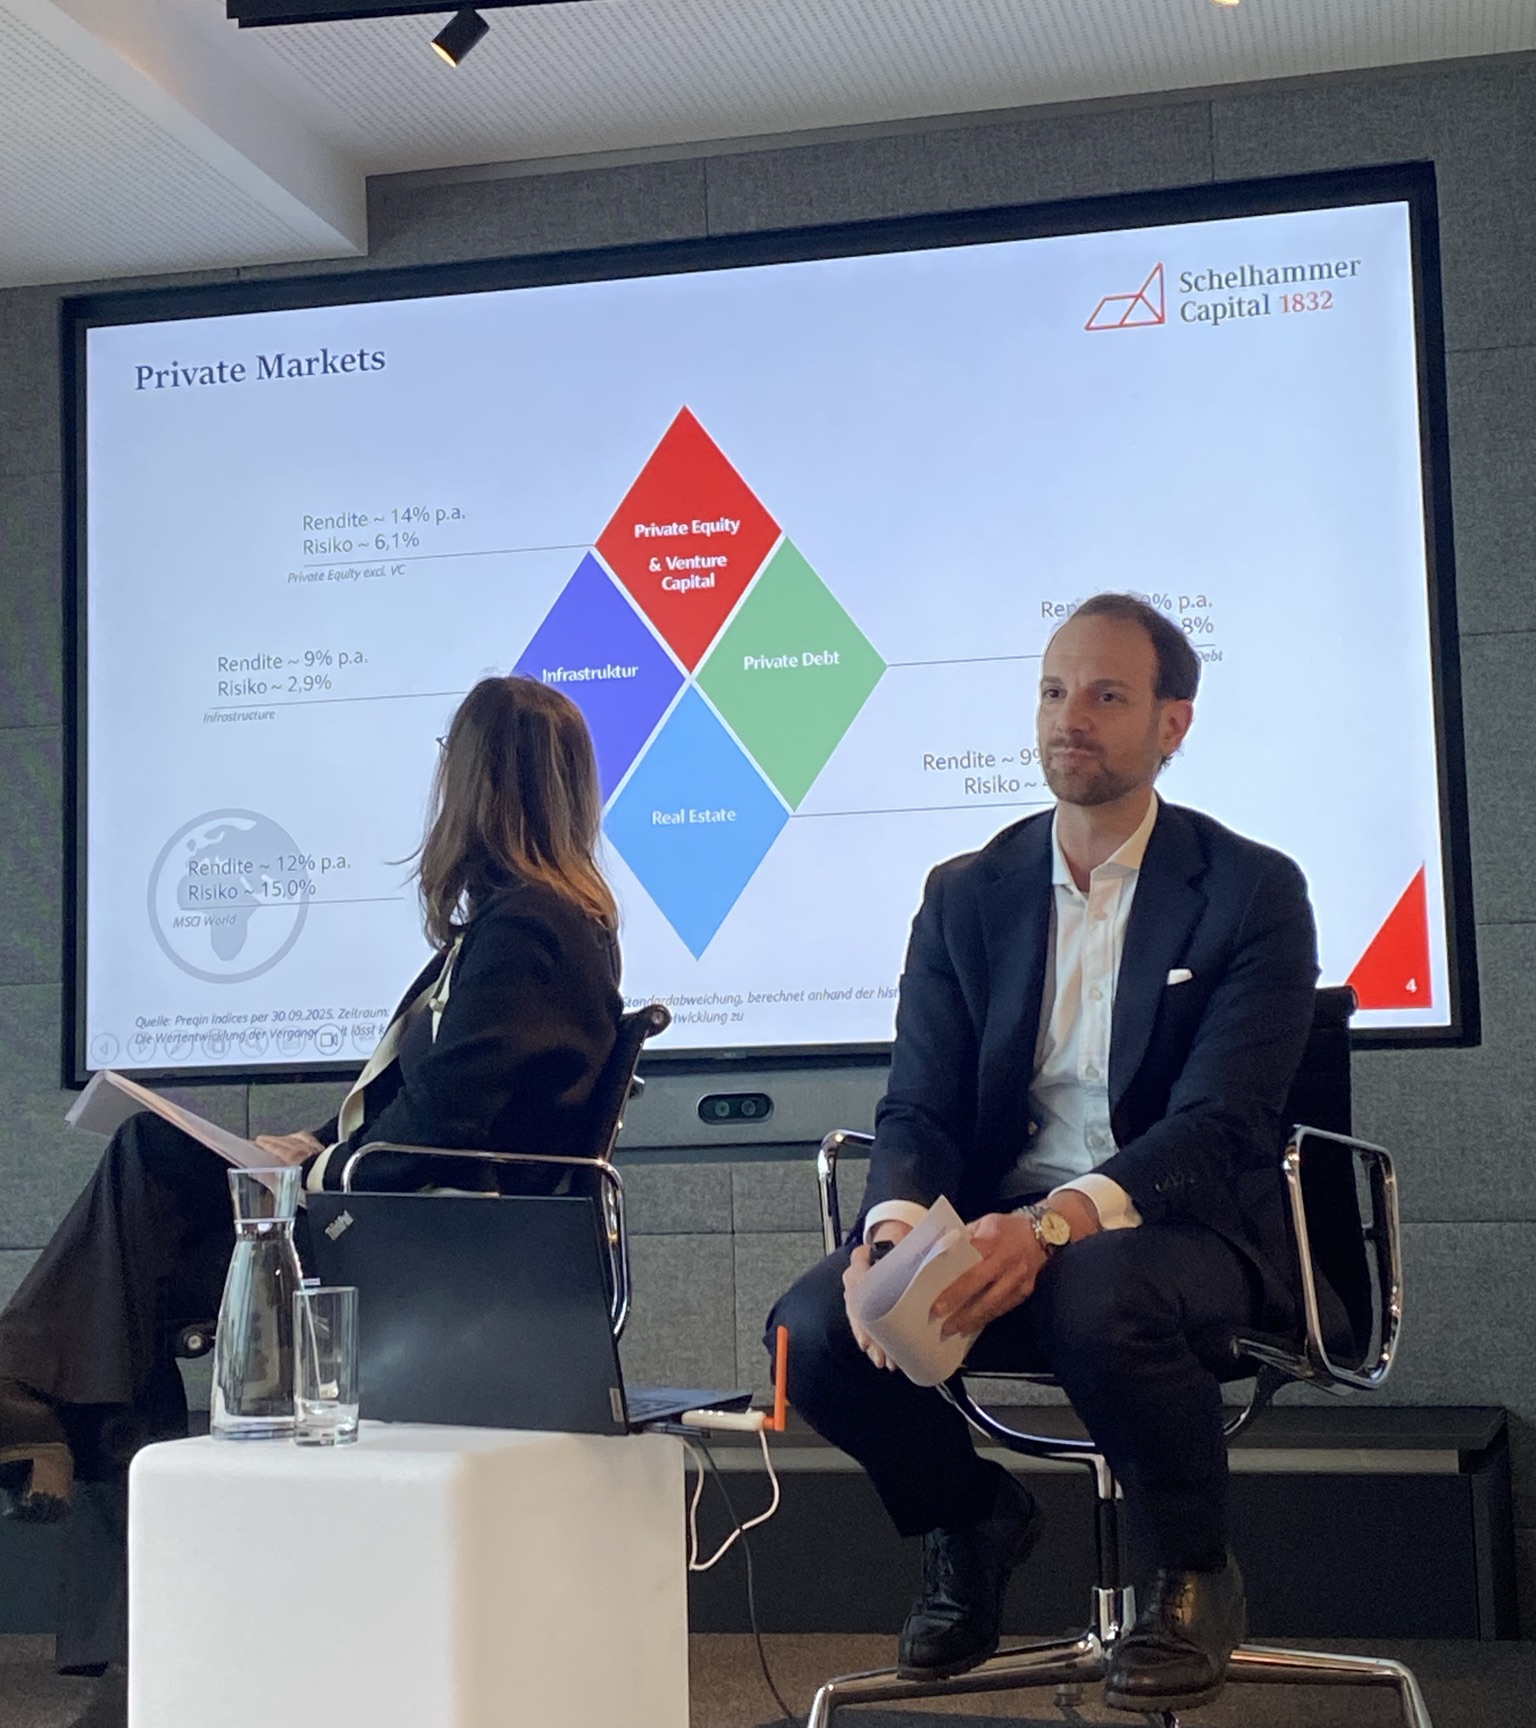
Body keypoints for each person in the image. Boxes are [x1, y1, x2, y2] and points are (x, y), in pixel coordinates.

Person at [768, 593, 1320, 1715]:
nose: (1072, 718)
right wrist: (892, 1232)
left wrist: (1054, 1225)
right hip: (996, 1227)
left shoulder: (1251, 890)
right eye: (1055, 692)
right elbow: (918, 1101)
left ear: (1172, 723)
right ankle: (970, 1517)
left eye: (1108, 695)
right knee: (816, 1328)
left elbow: (1222, 1124)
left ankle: (1192, 1571)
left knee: (1094, 1288)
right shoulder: (966, 893)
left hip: (1184, 1229)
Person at [0, 674, 623, 1664]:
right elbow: (435, 1097)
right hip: (414, 1218)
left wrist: (320, 1162)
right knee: (131, 1273)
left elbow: (443, 1129)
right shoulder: (530, 923)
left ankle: (35, 1405)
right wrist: (310, 1140)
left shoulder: (530, 930)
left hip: (427, 1248)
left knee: (145, 1188)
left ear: (473, 779)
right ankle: (62, 1447)